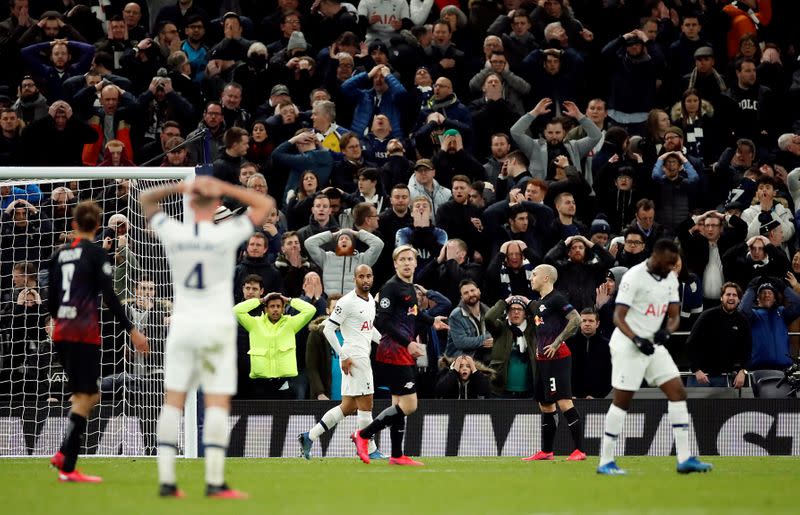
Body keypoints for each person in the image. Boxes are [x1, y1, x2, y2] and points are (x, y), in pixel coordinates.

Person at [140, 175, 272, 498]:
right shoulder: (225, 234)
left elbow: (146, 199)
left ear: (188, 203)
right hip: (215, 326)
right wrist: (223, 187)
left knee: (173, 400)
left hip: (182, 324)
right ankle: (214, 482)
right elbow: (265, 205)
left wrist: (181, 187)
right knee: (216, 401)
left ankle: (167, 481)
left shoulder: (175, 233)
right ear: (215, 206)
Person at [48, 200, 148, 482]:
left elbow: (52, 300)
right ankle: (67, 465)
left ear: (74, 225)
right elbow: (110, 297)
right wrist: (132, 329)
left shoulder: (58, 256)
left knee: (82, 395)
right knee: (89, 395)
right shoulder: (96, 255)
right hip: (84, 332)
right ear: (98, 225)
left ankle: (63, 454)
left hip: (61, 332)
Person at [598, 239, 712, 475]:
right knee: (623, 399)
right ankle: (605, 461)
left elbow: (673, 316)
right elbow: (618, 317)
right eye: (669, 263)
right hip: (628, 343)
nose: (672, 268)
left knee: (678, 392)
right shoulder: (634, 276)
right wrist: (636, 339)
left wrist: (666, 332)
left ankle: (684, 459)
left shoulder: (670, 278)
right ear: (657, 256)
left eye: (675, 264)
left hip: (652, 343)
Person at [350, 245, 449, 466]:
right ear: (395, 264)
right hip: (394, 352)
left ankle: (396, 454)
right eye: (401, 259)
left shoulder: (410, 288)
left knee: (398, 403)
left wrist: (432, 321)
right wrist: (408, 343)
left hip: (403, 352)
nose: (406, 262)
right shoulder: (390, 288)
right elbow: (382, 321)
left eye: (409, 259)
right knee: (410, 405)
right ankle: (363, 435)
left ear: (415, 262)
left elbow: (413, 312)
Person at [299, 265, 387, 460]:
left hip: (360, 354)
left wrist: (386, 344)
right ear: (354, 278)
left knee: (347, 406)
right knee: (367, 404)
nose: (365, 280)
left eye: (369, 276)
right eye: (361, 276)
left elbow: (369, 328)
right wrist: (343, 356)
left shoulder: (371, 300)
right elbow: (328, 329)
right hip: (355, 358)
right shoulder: (346, 302)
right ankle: (369, 449)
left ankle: (309, 436)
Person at [523, 264, 585, 462]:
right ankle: (547, 451)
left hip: (557, 358)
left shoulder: (557, 298)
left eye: (534, 275)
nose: (531, 278)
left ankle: (579, 450)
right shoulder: (542, 302)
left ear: (547, 278)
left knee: (564, 401)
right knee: (545, 405)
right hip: (543, 359)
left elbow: (576, 319)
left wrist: (557, 343)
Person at [686, 282, 751, 388]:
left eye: (734, 295)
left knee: (722, 405)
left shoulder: (742, 321)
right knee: (694, 405)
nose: (731, 297)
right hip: (700, 376)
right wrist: (696, 370)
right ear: (721, 298)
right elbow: (690, 343)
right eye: (728, 294)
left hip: (724, 377)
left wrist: (743, 371)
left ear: (739, 300)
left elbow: (747, 350)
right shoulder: (707, 316)